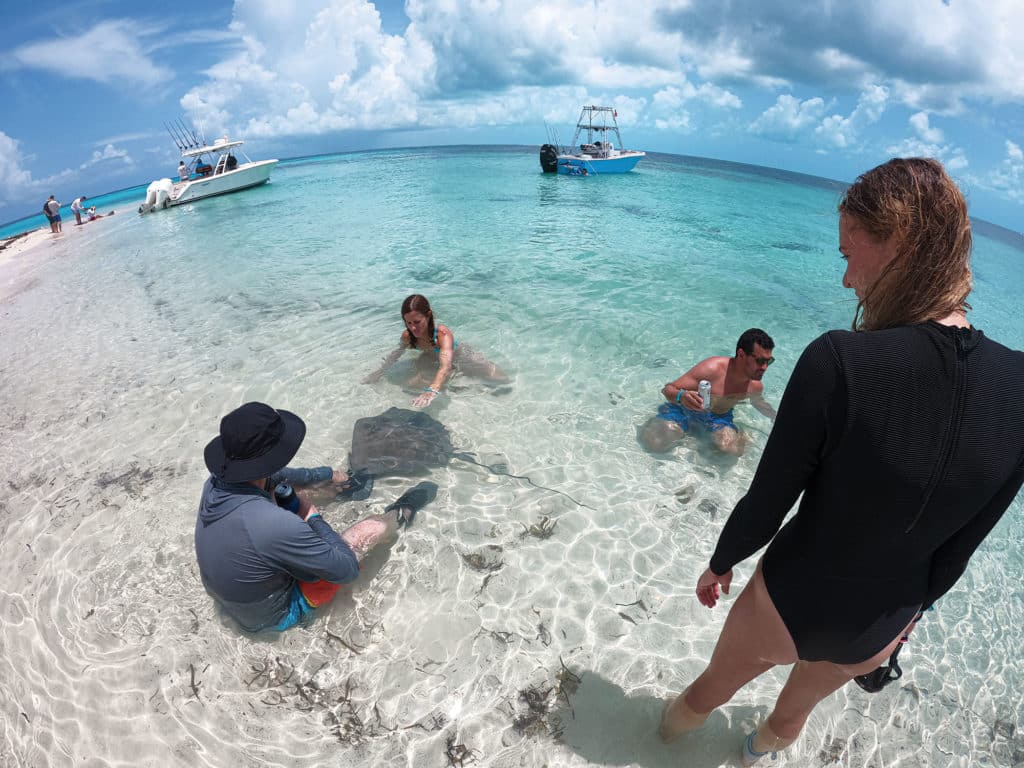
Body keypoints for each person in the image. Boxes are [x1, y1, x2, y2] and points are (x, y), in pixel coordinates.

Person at [657, 158, 1024, 766]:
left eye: (849, 254)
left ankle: (650, 751)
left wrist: (721, 563)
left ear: (899, 243)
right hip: (880, 624)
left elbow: (768, 504)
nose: (848, 280)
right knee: (792, 714)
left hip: (794, 598)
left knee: (708, 693)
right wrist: (905, 622)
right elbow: (961, 548)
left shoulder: (841, 360)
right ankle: (750, 759)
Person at [195, 402, 433, 632]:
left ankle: (341, 491)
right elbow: (346, 570)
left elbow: (280, 476)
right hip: (275, 615)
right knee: (371, 529)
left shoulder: (216, 482)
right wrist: (311, 517)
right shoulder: (274, 525)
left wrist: (328, 474)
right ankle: (402, 511)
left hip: (235, 600)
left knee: (285, 490)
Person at [639, 328, 777, 456]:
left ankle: (743, 435)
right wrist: (682, 396)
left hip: (718, 418)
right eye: (759, 361)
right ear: (741, 354)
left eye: (768, 361)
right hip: (684, 410)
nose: (764, 367)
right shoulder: (712, 369)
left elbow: (758, 402)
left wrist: (775, 417)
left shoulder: (755, 386)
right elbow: (668, 389)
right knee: (653, 443)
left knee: (733, 451)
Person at [363, 294, 509, 407]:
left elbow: (445, 365)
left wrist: (433, 389)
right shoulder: (407, 335)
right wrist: (381, 371)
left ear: (428, 315)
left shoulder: (442, 333)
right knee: (412, 385)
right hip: (430, 358)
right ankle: (456, 382)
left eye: (417, 322)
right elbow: (397, 353)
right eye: (409, 323)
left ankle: (461, 378)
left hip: (460, 354)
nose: (413, 328)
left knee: (502, 381)